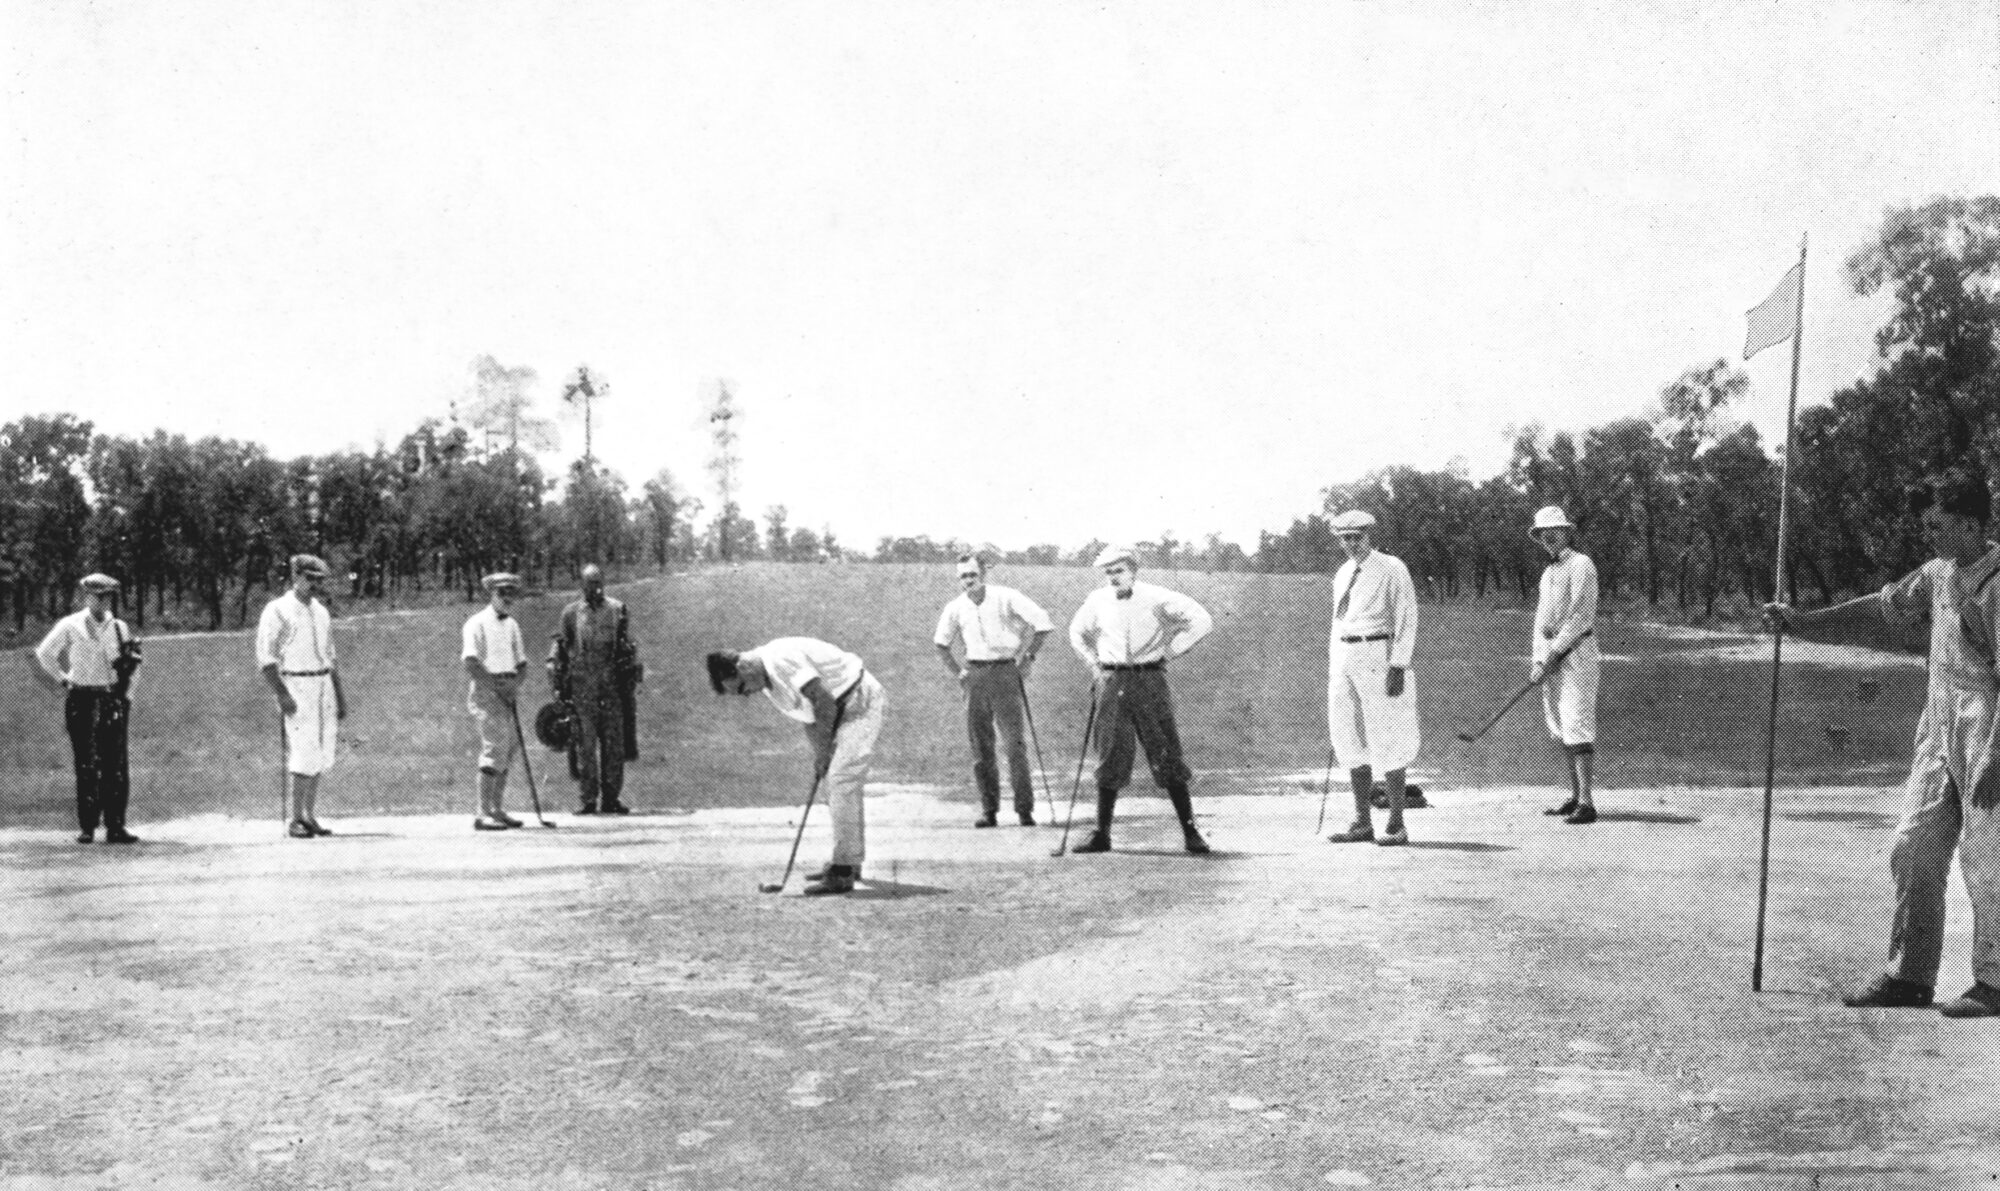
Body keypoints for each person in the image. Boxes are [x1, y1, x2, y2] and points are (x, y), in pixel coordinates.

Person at [1767, 474, 2000, 1018]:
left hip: (1987, 725)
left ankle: (1994, 981)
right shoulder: (1938, 574)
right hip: (1939, 719)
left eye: (1936, 526)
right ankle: (1910, 976)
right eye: (1924, 527)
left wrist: (1996, 755)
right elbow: (1883, 608)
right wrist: (1802, 623)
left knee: (1987, 858)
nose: (1928, 537)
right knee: (1913, 847)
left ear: (1970, 523)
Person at [706, 639, 886, 895]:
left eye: (743, 688)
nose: (748, 694)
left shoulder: (780, 659)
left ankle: (843, 870)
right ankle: (848, 861)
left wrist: (826, 751)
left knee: (841, 780)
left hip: (860, 701)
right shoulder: (769, 684)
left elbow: (823, 700)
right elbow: (810, 718)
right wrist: (819, 755)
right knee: (835, 780)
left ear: (743, 665)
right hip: (840, 710)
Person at [1066, 545, 1214, 854]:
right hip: (1111, 680)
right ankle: (1102, 833)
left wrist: (1172, 650)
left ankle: (1191, 833)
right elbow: (1077, 632)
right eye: (1108, 572)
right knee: (1109, 753)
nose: (1113, 578)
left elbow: (1201, 619)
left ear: (1134, 570)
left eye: (1118, 571)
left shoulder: (1157, 597)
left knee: (1165, 751)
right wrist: (1093, 664)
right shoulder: (1098, 600)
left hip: (1149, 679)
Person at [934, 552, 1055, 827]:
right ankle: (989, 811)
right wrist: (959, 672)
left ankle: (1025, 810)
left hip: (1005, 673)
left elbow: (1043, 623)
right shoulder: (955, 607)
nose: (968, 581)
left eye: (972, 575)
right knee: (981, 746)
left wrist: (1029, 658)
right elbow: (941, 643)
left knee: (1014, 744)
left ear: (983, 575)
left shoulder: (1006, 596)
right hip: (975, 675)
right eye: (963, 576)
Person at [1323, 510, 1420, 847]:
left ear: (1369, 536)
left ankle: (1396, 822)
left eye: (1357, 537)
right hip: (1344, 657)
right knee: (1345, 734)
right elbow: (1338, 623)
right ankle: (1362, 821)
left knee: (1387, 733)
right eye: (1346, 538)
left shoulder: (1392, 568)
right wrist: (1336, 667)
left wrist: (1399, 665)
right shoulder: (1342, 573)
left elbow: (1406, 618)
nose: (1352, 544)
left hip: (1377, 654)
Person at [35, 573, 143, 844]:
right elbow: (45, 652)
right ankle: (87, 826)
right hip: (81, 698)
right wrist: (62, 678)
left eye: (107, 596)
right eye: (98, 596)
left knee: (115, 763)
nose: (104, 601)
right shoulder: (71, 625)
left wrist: (126, 697)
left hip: (110, 698)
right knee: (86, 763)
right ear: (87, 597)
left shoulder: (118, 627)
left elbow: (133, 665)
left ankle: (116, 825)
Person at [257, 554, 347, 839]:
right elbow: (266, 658)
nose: (314, 585)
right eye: (310, 579)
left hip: (323, 684)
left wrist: (340, 696)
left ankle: (309, 815)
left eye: (319, 580)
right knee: (303, 750)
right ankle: (295, 818)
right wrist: (281, 694)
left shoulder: (321, 611)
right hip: (296, 684)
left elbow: (330, 657)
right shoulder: (278, 610)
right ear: (295, 576)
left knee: (321, 751)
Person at [547, 565, 642, 815]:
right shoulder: (570, 614)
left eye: (599, 583)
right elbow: (560, 650)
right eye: (590, 584)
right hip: (582, 688)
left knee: (614, 745)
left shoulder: (617, 610)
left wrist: (630, 668)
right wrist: (557, 684)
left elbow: (627, 646)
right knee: (584, 746)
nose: (596, 589)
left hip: (611, 687)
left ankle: (611, 798)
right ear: (582, 586)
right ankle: (588, 800)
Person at [1529, 506, 1602, 825]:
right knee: (1559, 725)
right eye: (1543, 533)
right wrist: (1538, 659)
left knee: (1577, 721)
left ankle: (1587, 801)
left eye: (1554, 531)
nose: (1549, 537)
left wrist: (1554, 654)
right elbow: (1541, 620)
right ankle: (1574, 796)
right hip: (1552, 656)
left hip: (1578, 653)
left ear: (1567, 532)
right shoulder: (1548, 573)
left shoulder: (1581, 564)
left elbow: (1580, 616)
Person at [464, 572, 531, 831]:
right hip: (486, 690)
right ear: (491, 594)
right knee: (494, 749)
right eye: (501, 593)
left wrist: (514, 685)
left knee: (509, 748)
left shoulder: (512, 625)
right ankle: (482, 813)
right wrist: (496, 688)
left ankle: (496, 808)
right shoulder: (476, 623)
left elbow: (522, 663)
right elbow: (470, 662)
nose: (507, 598)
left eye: (511, 593)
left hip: (508, 689)